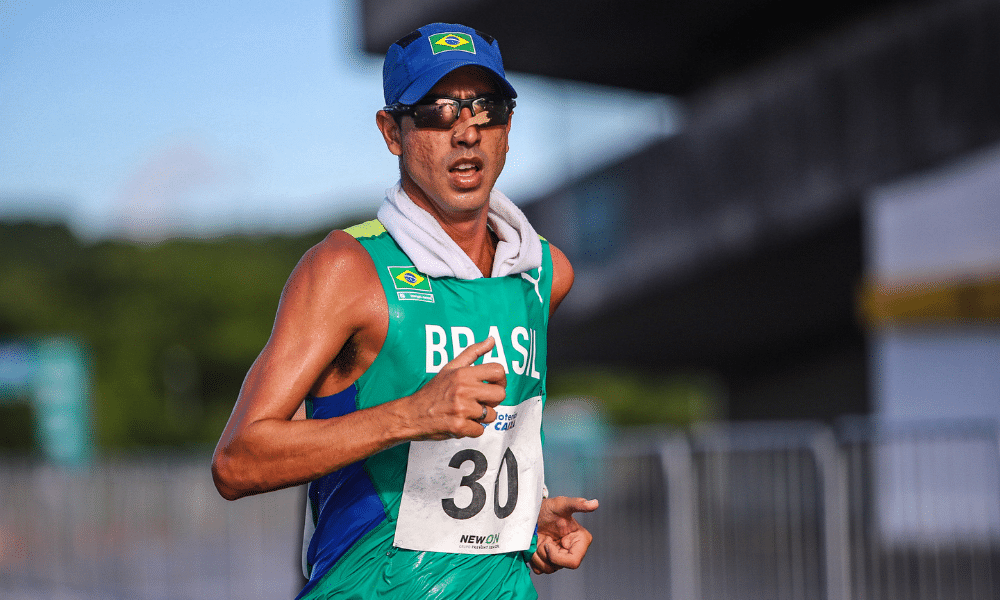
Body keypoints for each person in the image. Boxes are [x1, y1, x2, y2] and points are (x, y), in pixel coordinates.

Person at [211, 22, 598, 599]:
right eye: (439, 111)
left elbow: (482, 456)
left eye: (485, 108)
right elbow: (237, 462)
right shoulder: (345, 269)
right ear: (393, 131)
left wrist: (522, 523)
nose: (466, 131)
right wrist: (411, 415)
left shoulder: (543, 273)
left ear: (508, 127)